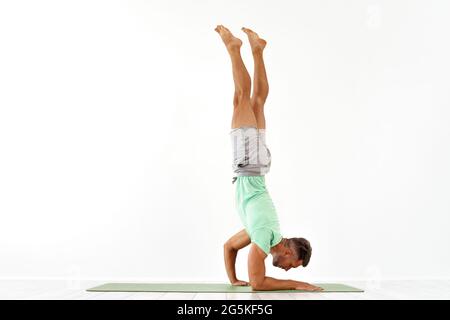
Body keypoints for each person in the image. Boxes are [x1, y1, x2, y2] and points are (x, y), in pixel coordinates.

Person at [215, 25, 322, 291]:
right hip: (250, 165)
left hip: (257, 165)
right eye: (292, 264)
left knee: (257, 102)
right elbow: (258, 284)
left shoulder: (261, 232)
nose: (287, 269)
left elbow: (229, 246)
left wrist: (232, 280)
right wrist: (298, 284)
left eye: (291, 270)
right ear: (288, 250)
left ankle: (258, 51)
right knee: (241, 98)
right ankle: (234, 48)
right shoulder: (263, 234)